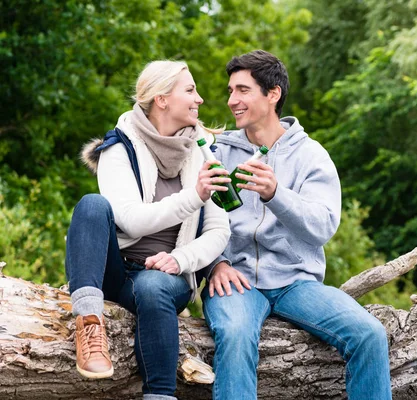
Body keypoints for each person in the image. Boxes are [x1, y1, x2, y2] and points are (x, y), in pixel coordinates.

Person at [200, 50, 392, 399]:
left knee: (369, 334)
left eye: (242, 90)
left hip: (296, 283)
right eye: (230, 91)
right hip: (236, 280)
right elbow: (196, 221)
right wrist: (216, 264)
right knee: (235, 334)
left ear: (272, 94)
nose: (232, 100)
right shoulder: (217, 153)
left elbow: (323, 226)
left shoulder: (311, 156)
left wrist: (276, 194)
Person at [66, 60, 231, 400]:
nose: (199, 99)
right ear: (162, 99)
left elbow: (218, 230)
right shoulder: (118, 148)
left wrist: (181, 258)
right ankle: (89, 327)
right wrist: (193, 196)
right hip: (118, 272)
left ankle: (160, 395)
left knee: (154, 285)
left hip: (170, 277)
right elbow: (130, 219)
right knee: (91, 205)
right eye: (190, 90)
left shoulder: (204, 152)